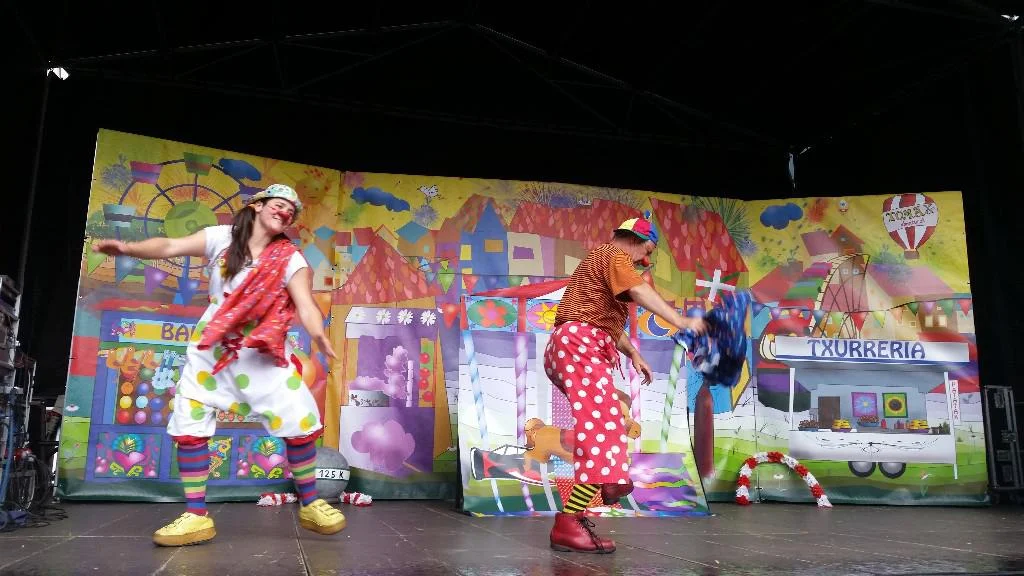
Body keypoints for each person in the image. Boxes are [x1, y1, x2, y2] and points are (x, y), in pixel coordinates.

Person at [93, 184, 346, 546]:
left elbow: (305, 304)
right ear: (257, 205)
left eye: (291, 212)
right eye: (279, 205)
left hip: (260, 351)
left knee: (299, 418)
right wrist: (130, 249)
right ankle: (196, 516)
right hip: (211, 348)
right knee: (190, 421)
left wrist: (317, 333)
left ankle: (310, 504)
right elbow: (170, 246)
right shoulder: (220, 238)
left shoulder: (291, 258)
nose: (285, 212)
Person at [544, 216, 707, 554]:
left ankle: (609, 481)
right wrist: (680, 320)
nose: (644, 261)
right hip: (579, 345)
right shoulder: (613, 254)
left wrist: (633, 353)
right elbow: (638, 289)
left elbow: (602, 321)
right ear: (636, 239)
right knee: (604, 428)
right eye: (647, 252)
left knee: (610, 421)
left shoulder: (600, 265)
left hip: (573, 345)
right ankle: (578, 514)